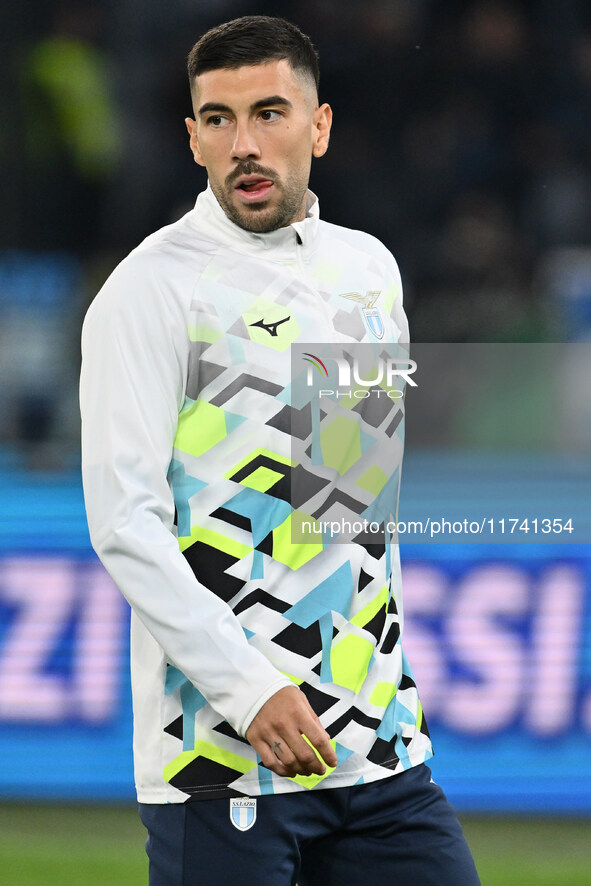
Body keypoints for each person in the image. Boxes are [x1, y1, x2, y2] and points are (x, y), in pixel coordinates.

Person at [80, 15, 480, 886]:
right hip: (219, 761)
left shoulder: (365, 271)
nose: (244, 145)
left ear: (320, 126)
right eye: (218, 121)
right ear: (191, 140)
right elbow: (125, 523)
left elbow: (351, 507)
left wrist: (389, 688)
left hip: (378, 754)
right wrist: (247, 688)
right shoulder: (150, 292)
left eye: (269, 113)